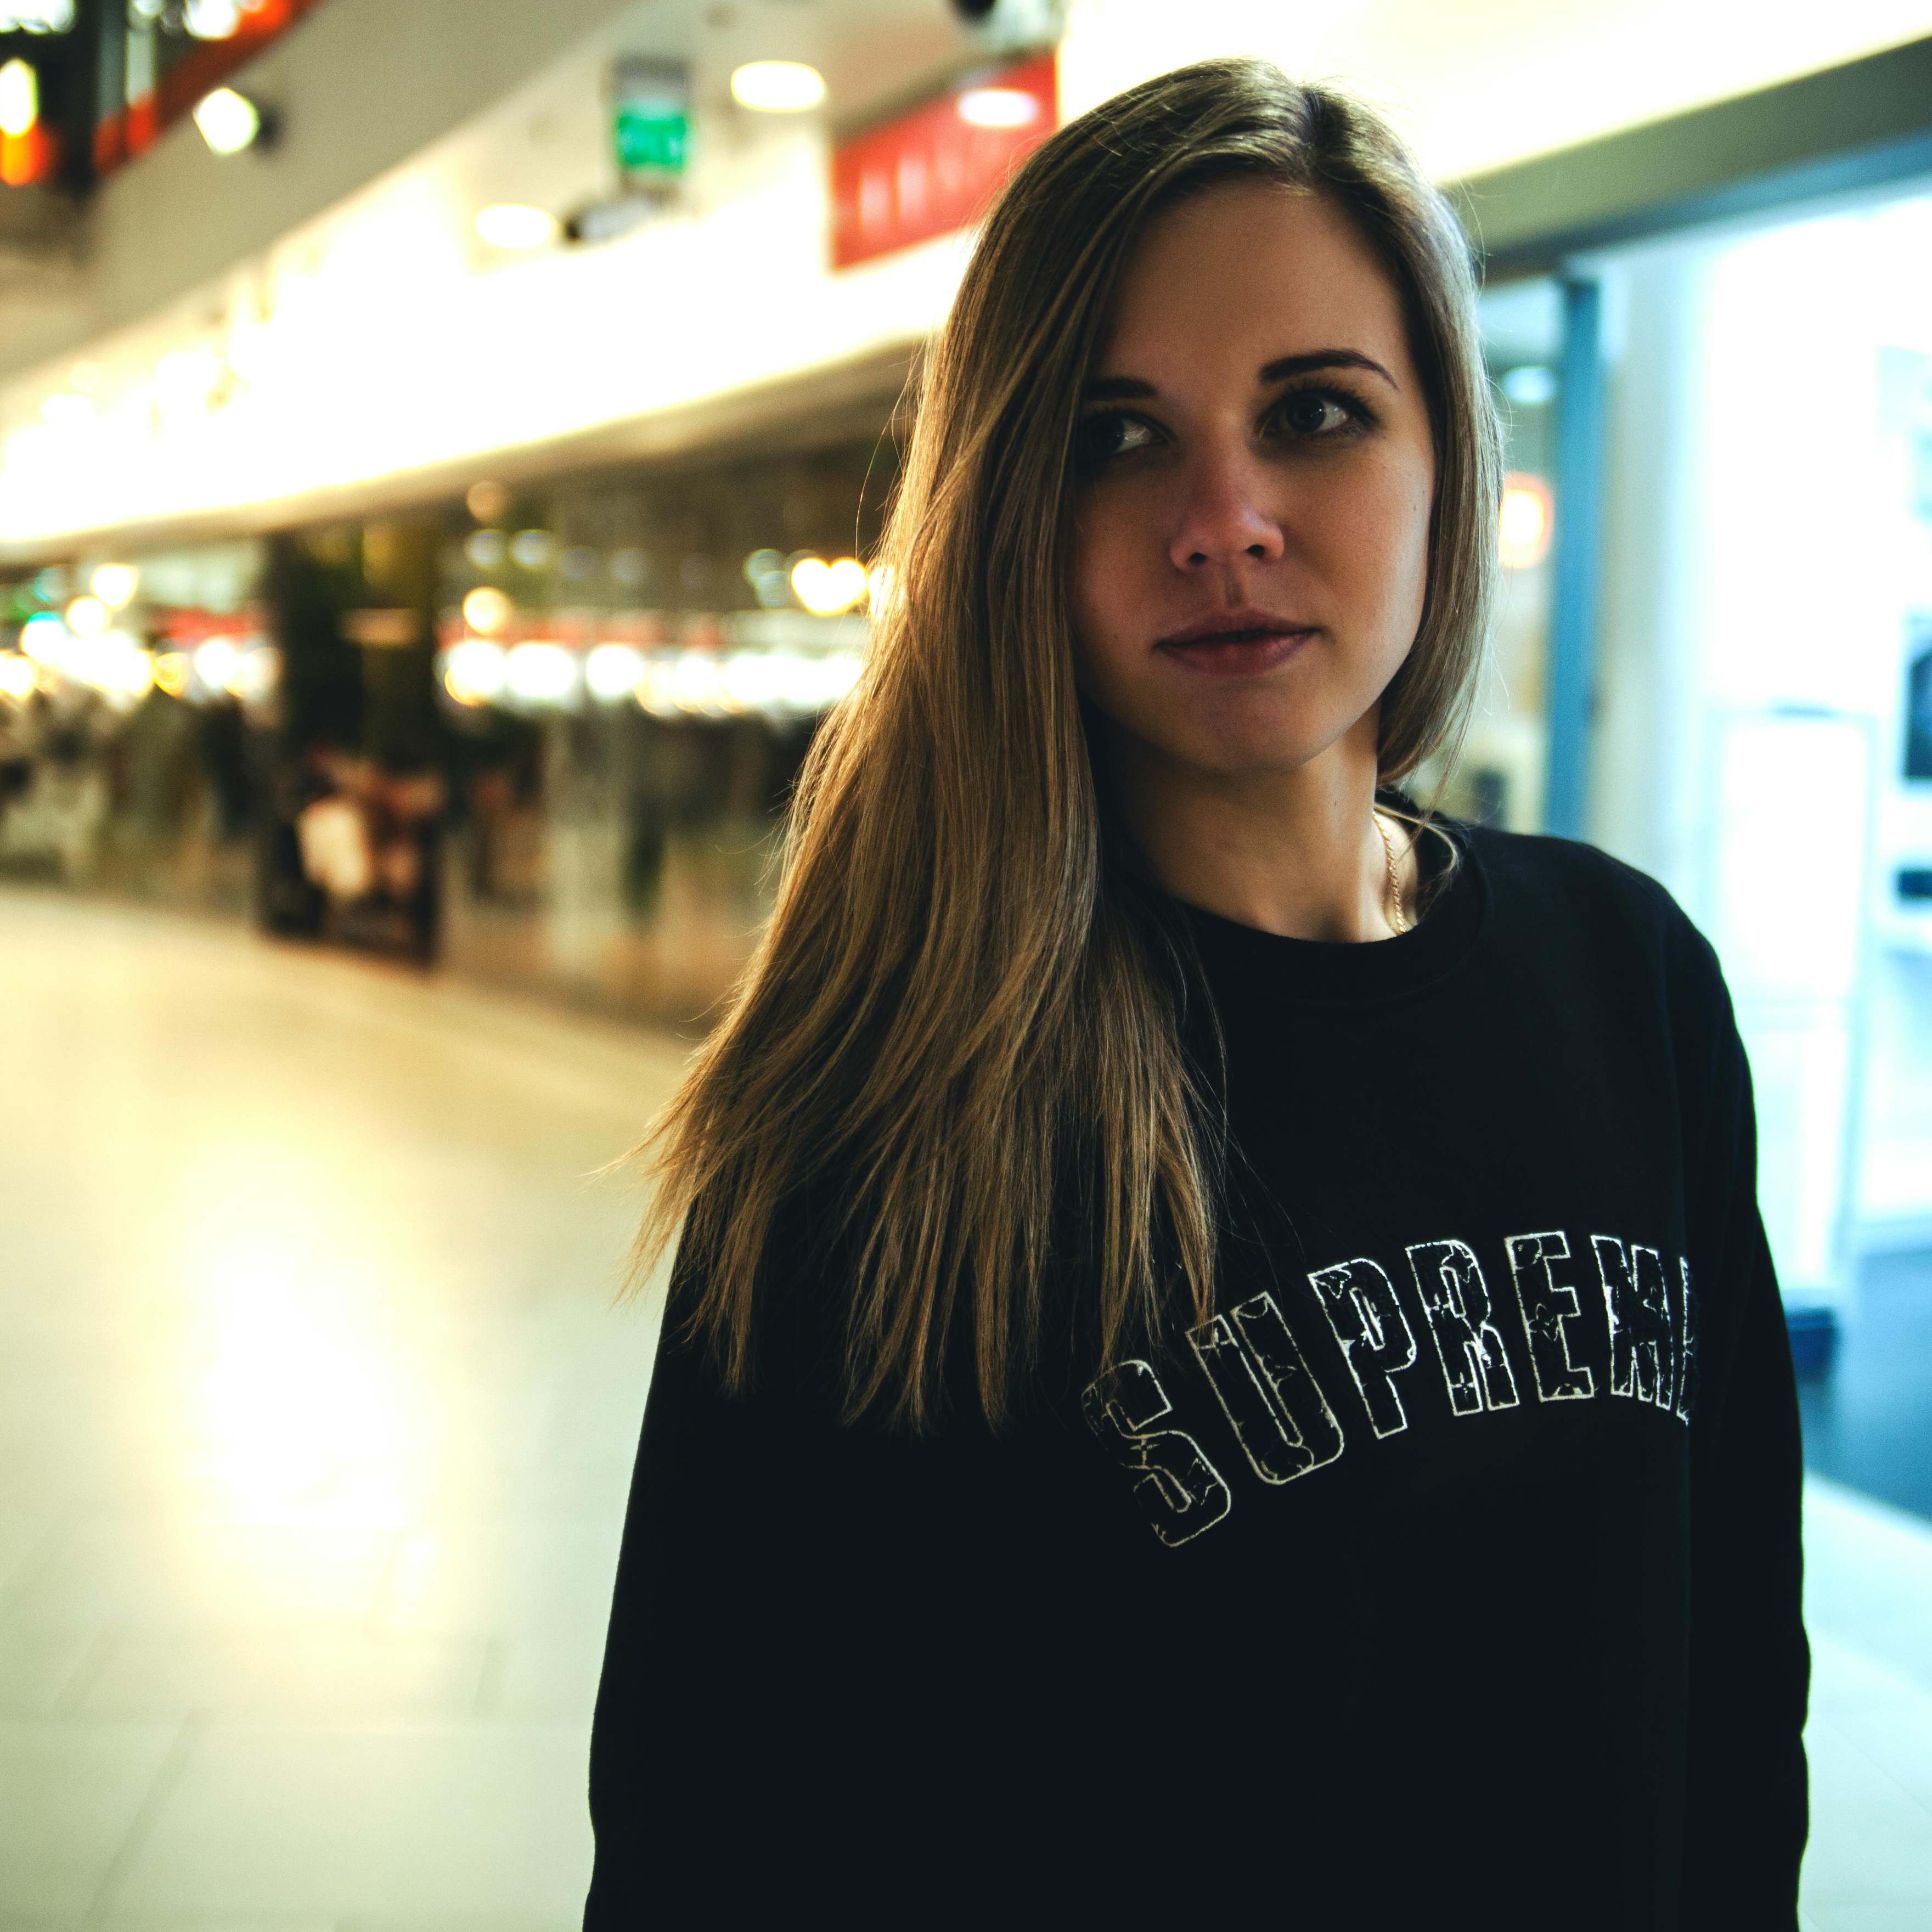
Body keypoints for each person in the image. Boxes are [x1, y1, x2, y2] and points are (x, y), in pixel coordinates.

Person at [583, 58, 1808, 1929]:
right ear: (1013, 513)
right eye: (1115, 436)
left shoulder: (1628, 977)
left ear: (1442, 463)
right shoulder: (881, 1120)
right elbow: (707, 1844)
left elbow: (1736, 1684)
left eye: (1314, 412)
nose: (1223, 519)